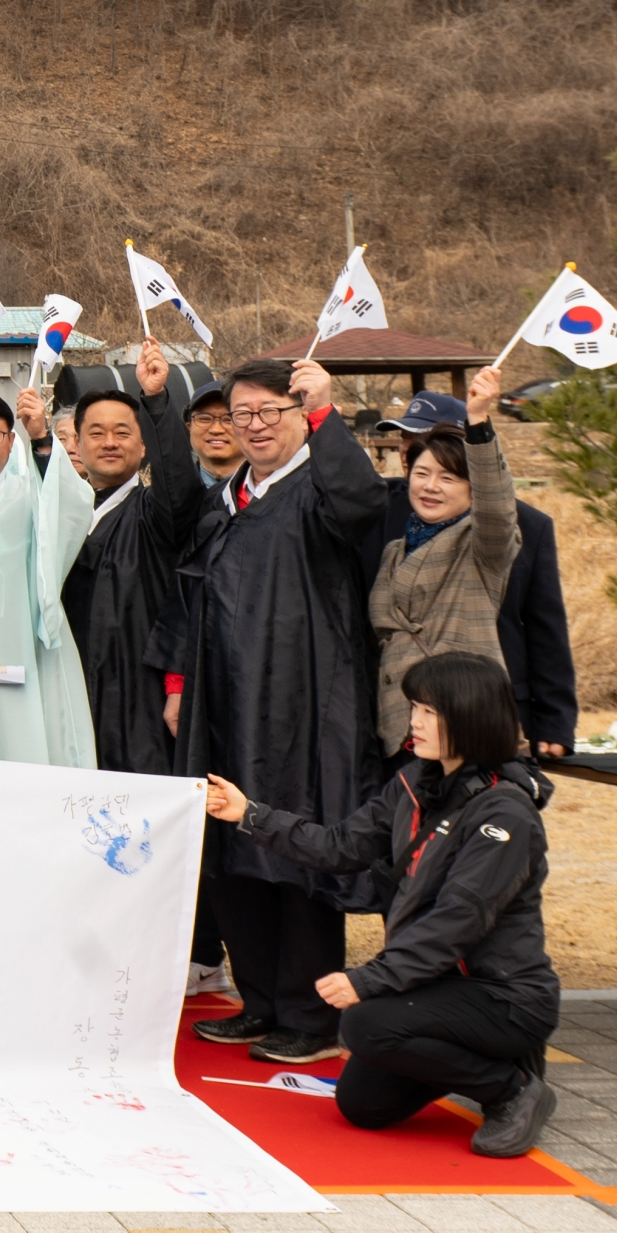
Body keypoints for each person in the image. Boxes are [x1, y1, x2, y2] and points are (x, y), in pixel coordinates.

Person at [204, 652, 560, 1156]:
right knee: (363, 1106)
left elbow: (458, 920)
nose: (414, 721)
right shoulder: (415, 783)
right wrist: (251, 815)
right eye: (414, 707)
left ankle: (512, 1090)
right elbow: (339, 847)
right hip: (436, 987)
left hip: (505, 998)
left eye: (430, 711)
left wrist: (370, 980)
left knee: (366, 1024)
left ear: (472, 716)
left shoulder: (506, 814)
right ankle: (487, 1064)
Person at [165, 354, 385, 1063]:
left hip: (304, 704)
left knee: (299, 850)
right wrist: (180, 686)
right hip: (224, 703)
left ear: (299, 416)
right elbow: (188, 594)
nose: (254, 426)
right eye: (242, 413)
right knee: (231, 850)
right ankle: (258, 1000)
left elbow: (364, 504)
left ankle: (308, 1016)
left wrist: (327, 414)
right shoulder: (227, 499)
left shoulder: (320, 489)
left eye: (271, 411)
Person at [376, 389, 576, 758]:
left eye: (447, 472)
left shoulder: (509, 527)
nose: (408, 449)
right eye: (406, 438)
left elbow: (545, 627)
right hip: (398, 721)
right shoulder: (386, 517)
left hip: (472, 711)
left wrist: (555, 720)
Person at [51, 344, 204, 777]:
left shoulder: (155, 513)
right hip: (67, 689)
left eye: (122, 432)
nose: (109, 442)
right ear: (77, 443)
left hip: (137, 698)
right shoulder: (60, 518)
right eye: (96, 433)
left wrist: (155, 401)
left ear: (143, 446)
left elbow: (178, 486)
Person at [363, 368, 519, 763]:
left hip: (460, 719)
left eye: (448, 477)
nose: (430, 486)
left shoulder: (481, 547)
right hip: (400, 724)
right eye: (422, 473)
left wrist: (478, 422)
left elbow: (497, 506)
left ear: (472, 489)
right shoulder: (395, 549)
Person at [0, 389, 95, 766]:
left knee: (25, 752)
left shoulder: (30, 496)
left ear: (11, 441)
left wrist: (41, 437)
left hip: (22, 656)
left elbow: (72, 505)